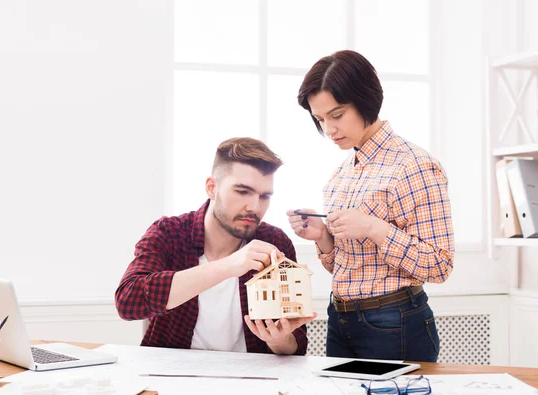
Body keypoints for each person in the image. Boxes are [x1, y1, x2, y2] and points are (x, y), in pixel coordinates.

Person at [287, 50, 454, 362]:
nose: (329, 130)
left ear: (366, 100)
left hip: (394, 321)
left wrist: (374, 229)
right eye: (320, 119)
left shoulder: (414, 165)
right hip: (340, 319)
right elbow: (347, 267)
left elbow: (440, 264)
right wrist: (323, 237)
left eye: (336, 115)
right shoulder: (340, 175)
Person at [116, 137, 315, 355]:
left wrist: (279, 340)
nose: (254, 207)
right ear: (212, 188)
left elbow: (296, 347)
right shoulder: (169, 233)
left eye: (264, 196)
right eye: (242, 191)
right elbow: (128, 301)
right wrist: (229, 266)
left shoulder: (274, 241)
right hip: (172, 378)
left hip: (251, 380)